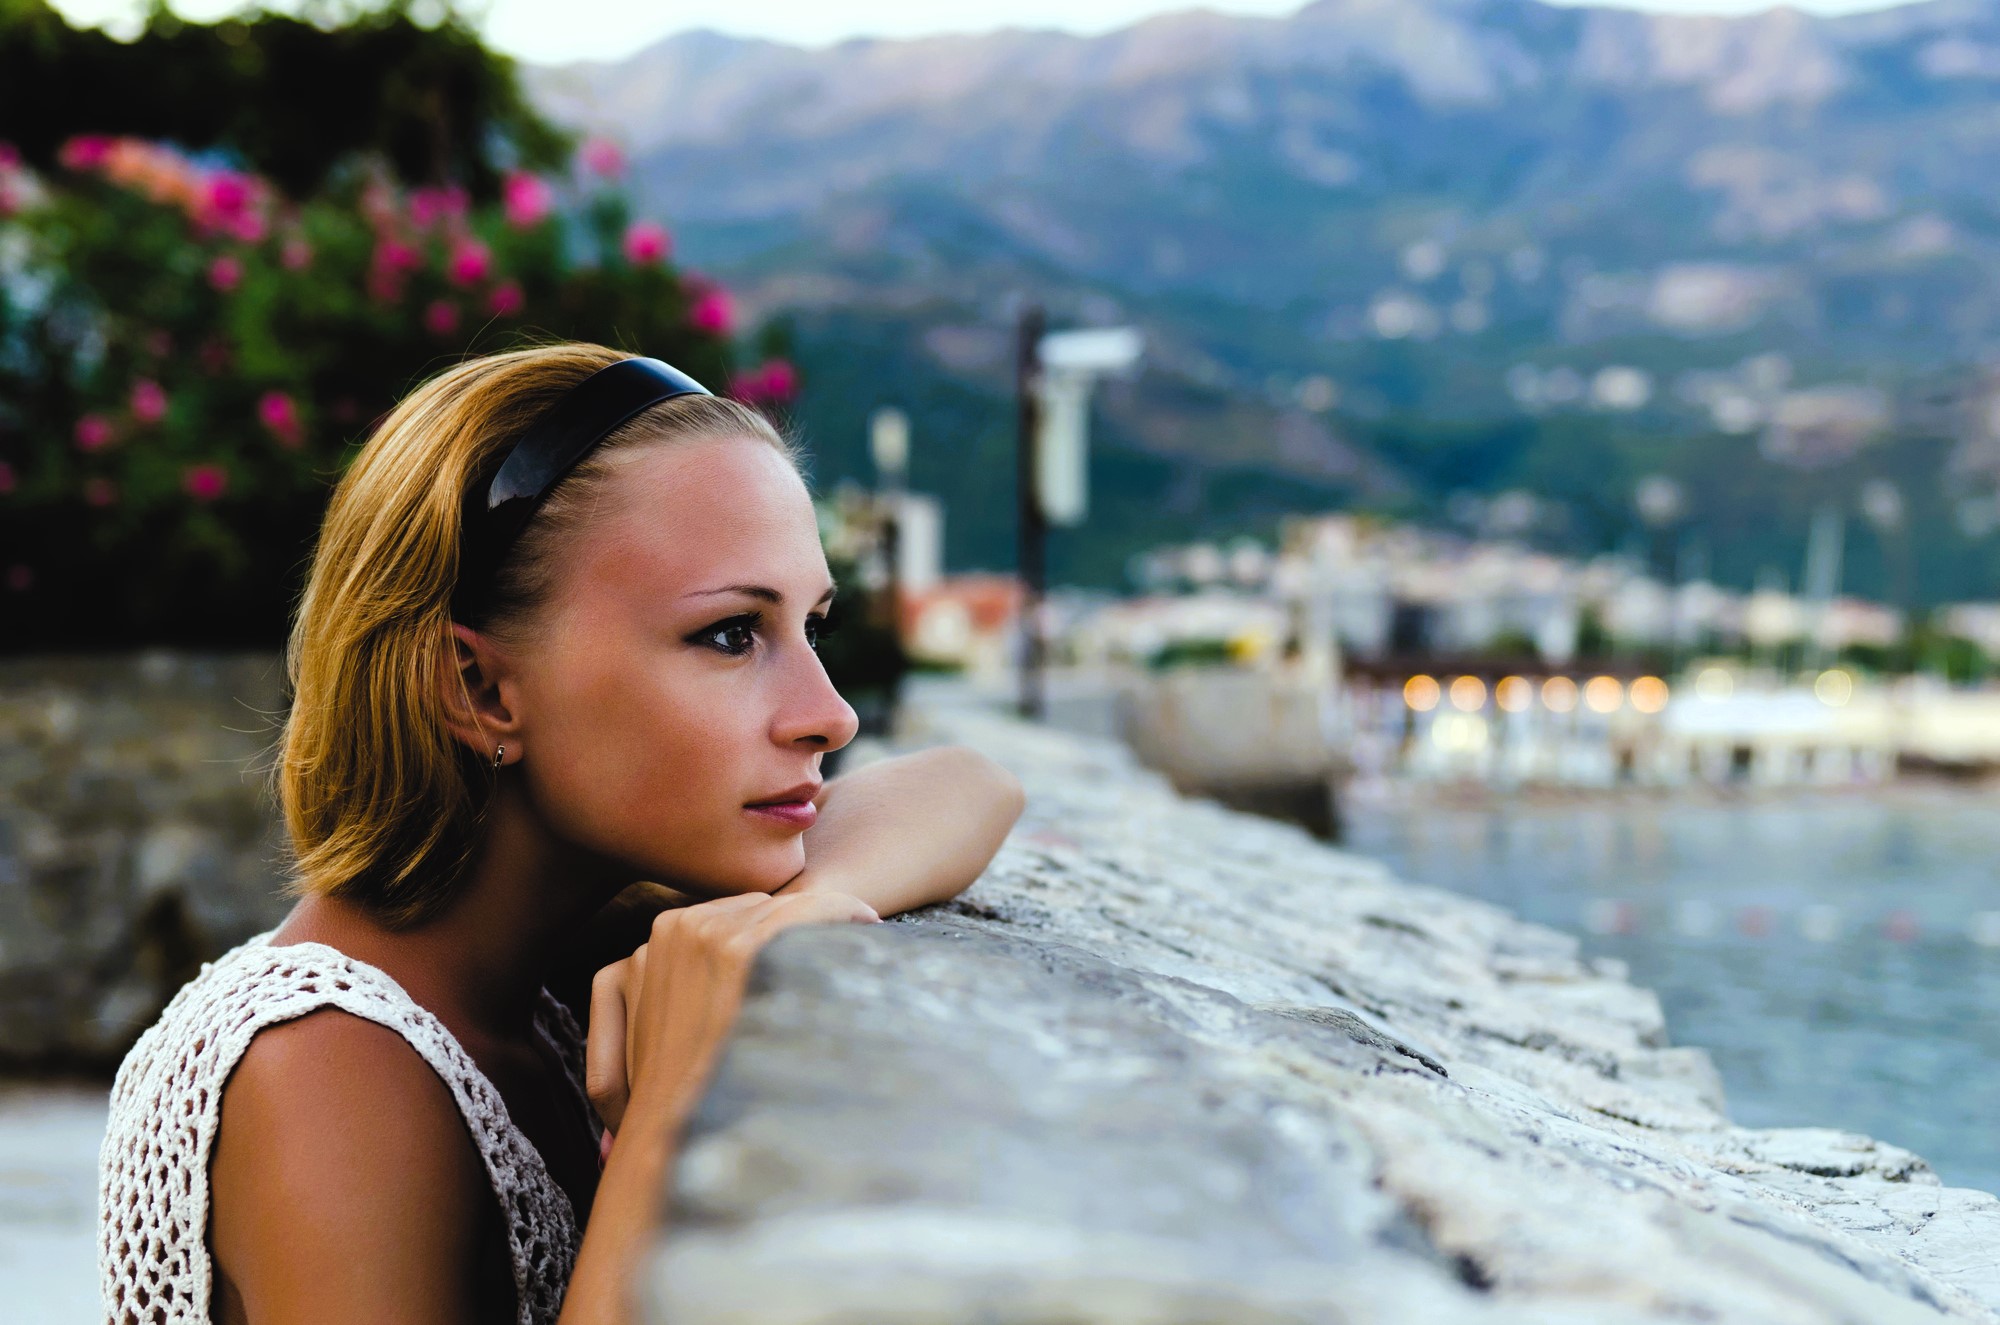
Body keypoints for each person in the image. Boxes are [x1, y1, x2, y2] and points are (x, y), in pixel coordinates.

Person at [98, 345, 1025, 1324]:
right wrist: (663, 1120)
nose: (829, 713)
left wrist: (799, 910)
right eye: (730, 634)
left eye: (812, 625)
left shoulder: (546, 966)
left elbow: (971, 785)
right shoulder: (328, 1067)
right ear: (478, 688)